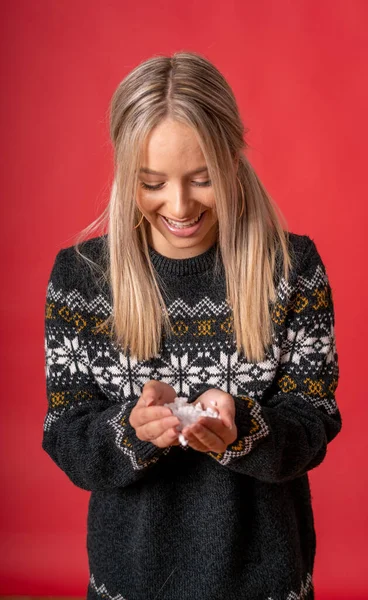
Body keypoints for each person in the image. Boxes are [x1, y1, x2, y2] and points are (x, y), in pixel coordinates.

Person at [42, 51, 342, 600]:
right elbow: (65, 434)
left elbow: (315, 423)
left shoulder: (292, 269)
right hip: (128, 584)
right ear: (124, 170)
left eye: (201, 179)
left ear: (233, 160)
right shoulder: (81, 279)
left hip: (267, 581)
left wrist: (243, 429)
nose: (178, 205)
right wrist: (132, 430)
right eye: (151, 182)